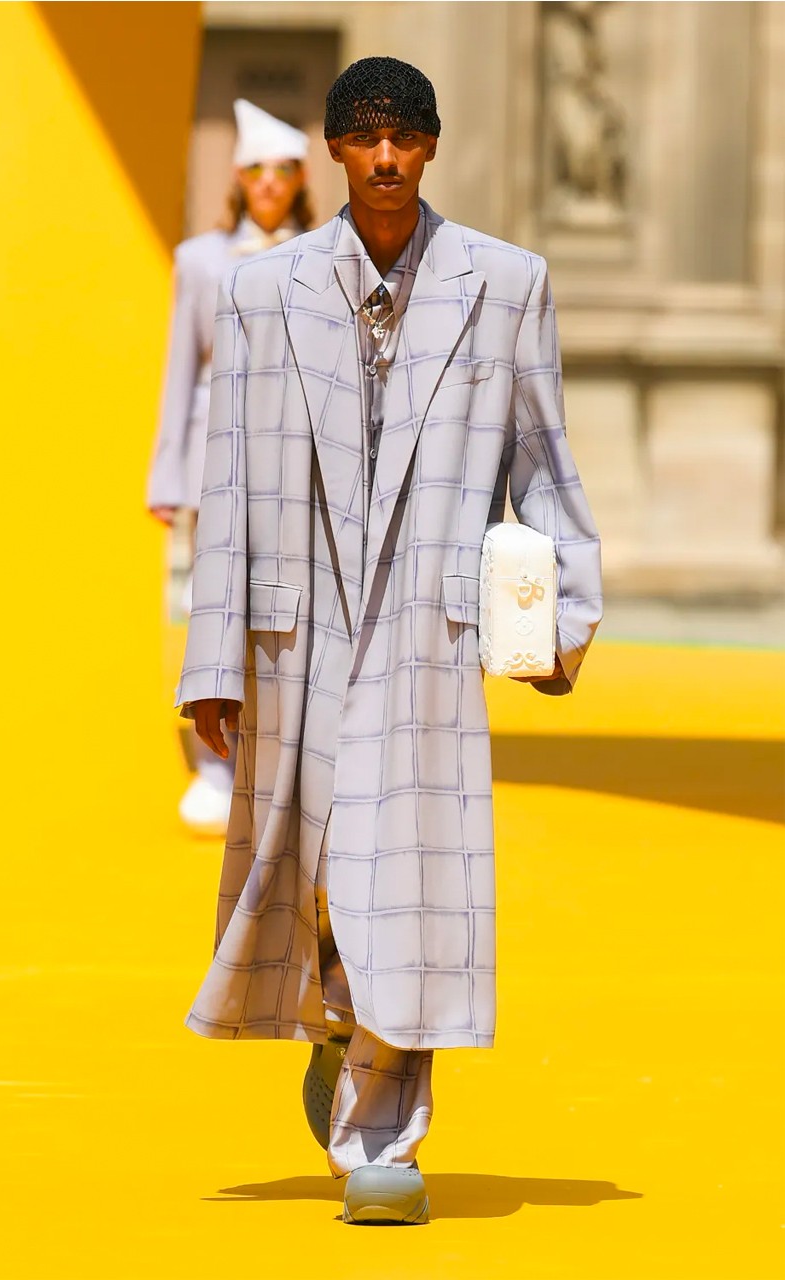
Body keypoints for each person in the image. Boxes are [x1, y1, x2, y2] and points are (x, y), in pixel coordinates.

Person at [176, 57, 602, 1224]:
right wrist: (212, 659)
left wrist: (561, 613)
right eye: (362, 136)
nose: (382, 156)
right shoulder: (262, 296)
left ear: (430, 147)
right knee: (314, 872)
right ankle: (333, 1017)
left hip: (424, 627)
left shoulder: (504, 285)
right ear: (331, 148)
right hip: (292, 623)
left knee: (405, 879)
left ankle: (385, 1129)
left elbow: (544, 462)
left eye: (403, 136)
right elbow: (232, 482)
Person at [148, 99, 313, 834]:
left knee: (287, 611)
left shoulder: (328, 253)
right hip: (216, 457)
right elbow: (179, 371)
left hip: (299, 460)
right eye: (255, 170)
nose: (269, 184)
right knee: (212, 607)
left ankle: (281, 765)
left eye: (282, 171)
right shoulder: (198, 260)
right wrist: (166, 477)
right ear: (238, 178)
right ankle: (214, 765)